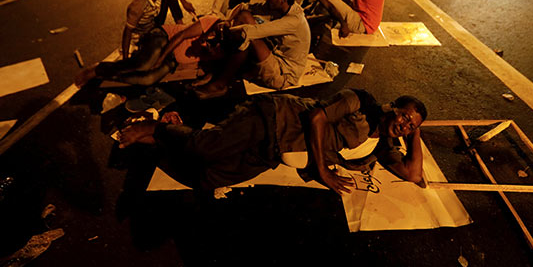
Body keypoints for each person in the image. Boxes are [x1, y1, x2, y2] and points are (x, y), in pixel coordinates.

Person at [117, 88, 428, 195]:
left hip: (275, 151)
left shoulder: (384, 147)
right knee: (205, 147)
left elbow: (413, 173)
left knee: (206, 179)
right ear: (392, 107)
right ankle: (156, 128)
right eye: (404, 116)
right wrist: (321, 169)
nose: (403, 125)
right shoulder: (360, 102)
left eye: (409, 125)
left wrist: (416, 133)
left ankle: (156, 144)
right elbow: (318, 118)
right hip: (273, 119)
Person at [195, 0, 310, 98]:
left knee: (248, 36)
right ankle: (219, 72)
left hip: (283, 74)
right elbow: (244, 7)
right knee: (245, 18)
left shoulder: (294, 20)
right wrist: (227, 21)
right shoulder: (280, 7)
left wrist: (222, 29)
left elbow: (248, 32)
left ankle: (221, 83)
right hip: (275, 56)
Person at [75, 14, 223, 87]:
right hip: (165, 37)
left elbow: (208, 72)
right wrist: (159, 58)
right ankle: (96, 69)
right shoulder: (212, 22)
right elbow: (180, 36)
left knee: (148, 79)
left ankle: (107, 77)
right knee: (145, 65)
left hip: (172, 60)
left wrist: (202, 80)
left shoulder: (222, 53)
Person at [120, 0, 195, 60]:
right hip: (142, 36)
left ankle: (180, 24)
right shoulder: (138, 6)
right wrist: (125, 58)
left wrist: (184, 2)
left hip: (153, 24)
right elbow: (127, 32)